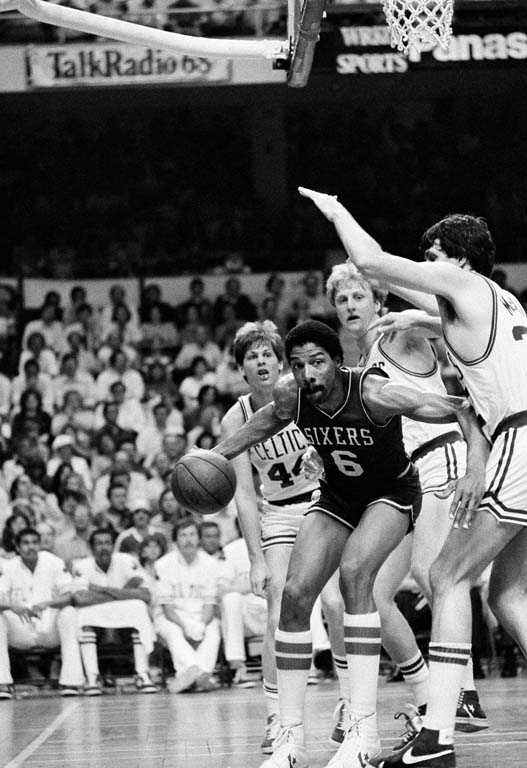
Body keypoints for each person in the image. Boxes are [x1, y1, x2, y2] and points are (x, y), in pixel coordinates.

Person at [300, 188, 524, 768]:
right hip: (490, 443)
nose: (427, 264)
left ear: (462, 262)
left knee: (445, 575)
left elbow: (373, 263)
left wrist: (336, 211)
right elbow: (446, 325)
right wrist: (421, 316)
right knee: (507, 595)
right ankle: (438, 719)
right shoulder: (489, 302)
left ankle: (439, 729)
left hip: (505, 441)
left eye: (434, 256)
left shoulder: (461, 289)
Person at [213, 319, 482, 768]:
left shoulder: (374, 393)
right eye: (298, 365)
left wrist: (476, 465)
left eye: (317, 362)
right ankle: (290, 739)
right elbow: (265, 422)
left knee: (355, 575)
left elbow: (456, 408)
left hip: (391, 493)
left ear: (338, 362)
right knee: (294, 594)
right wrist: (214, 455)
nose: (308, 373)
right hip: (338, 495)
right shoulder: (291, 395)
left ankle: (364, 732)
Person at [324, 261, 487, 737]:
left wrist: (415, 313)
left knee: (432, 573)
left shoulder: (399, 335)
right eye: (342, 299)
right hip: (411, 475)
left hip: (444, 456)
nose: (350, 305)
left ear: (379, 301)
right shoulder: (360, 364)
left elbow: (459, 323)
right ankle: (427, 690)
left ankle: (464, 694)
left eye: (359, 296)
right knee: (372, 591)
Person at [220, 320, 350, 754]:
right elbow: (243, 493)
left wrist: (324, 462)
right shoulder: (236, 418)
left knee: (334, 603)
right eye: (251, 356)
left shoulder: (306, 393)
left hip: (321, 502)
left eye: (267, 354)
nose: (261, 362)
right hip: (276, 513)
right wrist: (255, 559)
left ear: (281, 364)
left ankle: (348, 702)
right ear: (242, 369)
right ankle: (277, 716)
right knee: (277, 606)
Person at [0, 527, 85, 698]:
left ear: (39, 545)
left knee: (68, 612)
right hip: (20, 628)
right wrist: (12, 606)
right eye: (26, 543)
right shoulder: (8, 566)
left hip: (49, 626)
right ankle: (3, 683)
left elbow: (70, 596)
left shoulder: (54, 562)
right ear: (17, 547)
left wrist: (48, 603)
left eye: (34, 543)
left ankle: (71, 682)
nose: (31, 547)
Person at [71, 528, 158, 696]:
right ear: (91, 548)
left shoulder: (127, 561)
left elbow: (145, 595)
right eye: (99, 543)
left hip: (123, 619)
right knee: (83, 613)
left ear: (113, 545)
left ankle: (142, 674)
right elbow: (80, 599)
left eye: (107, 543)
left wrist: (102, 590)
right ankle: (92, 677)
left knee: (139, 608)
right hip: (98, 619)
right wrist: (123, 592)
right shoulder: (81, 566)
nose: (104, 547)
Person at [154, 517, 222, 693]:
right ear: (176, 540)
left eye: (192, 535)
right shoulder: (163, 564)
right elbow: (168, 609)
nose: (188, 540)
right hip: (172, 617)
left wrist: (201, 625)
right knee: (174, 632)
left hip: (201, 616)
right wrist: (184, 627)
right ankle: (201, 674)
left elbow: (209, 604)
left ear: (198, 538)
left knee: (213, 631)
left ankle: (188, 676)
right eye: (183, 535)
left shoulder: (211, 564)